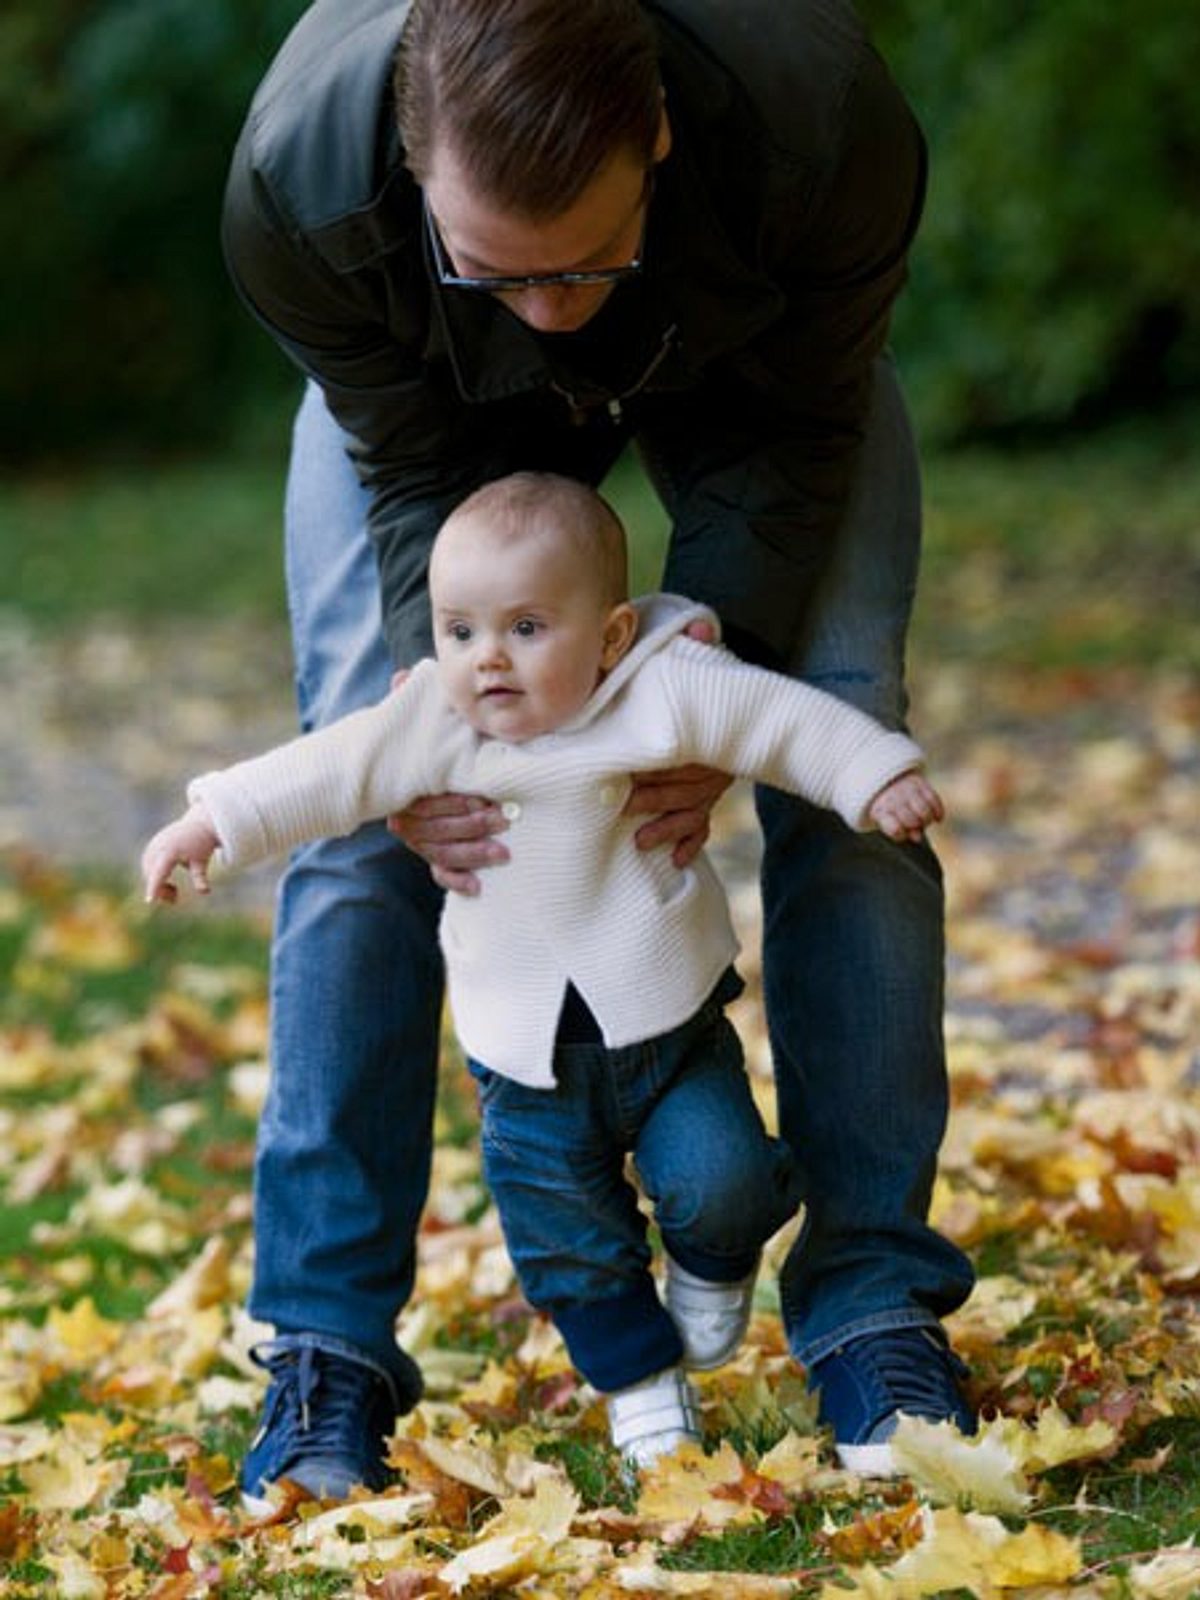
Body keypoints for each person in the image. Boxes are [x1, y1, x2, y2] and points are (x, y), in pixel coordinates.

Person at [218, 0, 976, 1500]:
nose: (554, 311)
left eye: (586, 253)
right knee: (372, 798)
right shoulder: (300, 186)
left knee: (846, 765)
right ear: (415, 169)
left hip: (765, 389)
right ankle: (325, 1344)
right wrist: (427, 741)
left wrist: (720, 675)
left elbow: (806, 434)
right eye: (500, 263)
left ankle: (875, 1298)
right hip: (434, 427)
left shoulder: (819, 118)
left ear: (660, 144)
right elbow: (410, 472)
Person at [144, 471, 949, 1484]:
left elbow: (783, 721)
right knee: (568, 1244)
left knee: (726, 1179)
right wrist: (209, 821)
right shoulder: (434, 715)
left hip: (666, 1030)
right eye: (461, 628)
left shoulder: (662, 685)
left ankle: (715, 1268)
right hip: (523, 1065)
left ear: (610, 637)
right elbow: (324, 771)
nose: (488, 658)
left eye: (527, 628)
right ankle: (644, 1388)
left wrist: (876, 772)